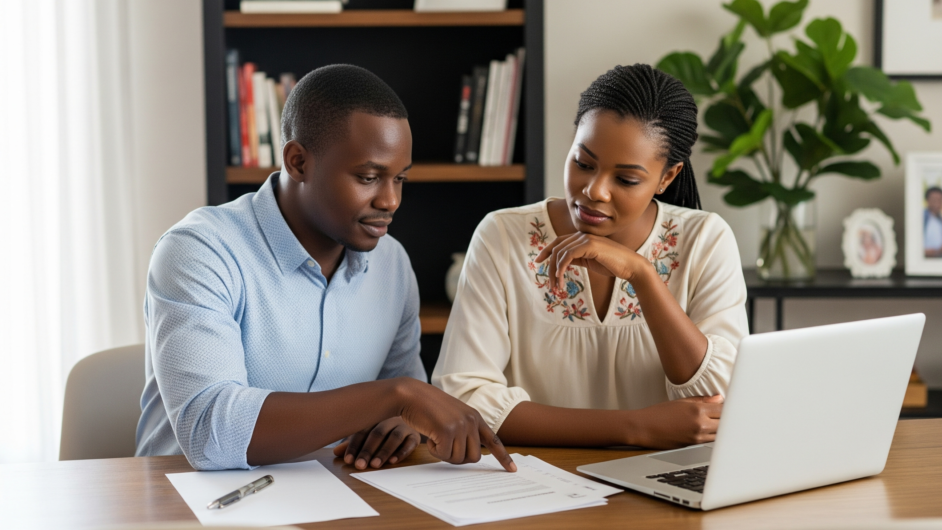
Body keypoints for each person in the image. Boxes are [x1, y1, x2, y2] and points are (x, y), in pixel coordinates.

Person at [136, 65, 515, 473]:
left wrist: (398, 422)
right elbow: (208, 431)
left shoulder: (392, 265)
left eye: (400, 179)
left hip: (337, 496)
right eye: (369, 177)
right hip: (190, 504)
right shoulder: (199, 251)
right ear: (298, 162)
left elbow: (406, 405)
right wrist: (396, 398)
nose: (390, 201)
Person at [432, 64, 746, 449]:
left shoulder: (705, 240)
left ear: (667, 177)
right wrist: (635, 428)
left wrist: (643, 275)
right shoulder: (503, 236)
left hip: (666, 488)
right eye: (583, 163)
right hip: (537, 484)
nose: (594, 191)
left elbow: (722, 401)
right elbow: (463, 400)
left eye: (626, 179)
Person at [923, 186, 942, 258]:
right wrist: (938, 252)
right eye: (934, 200)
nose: (937, 203)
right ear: (927, 200)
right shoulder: (921, 218)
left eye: (940, 200)